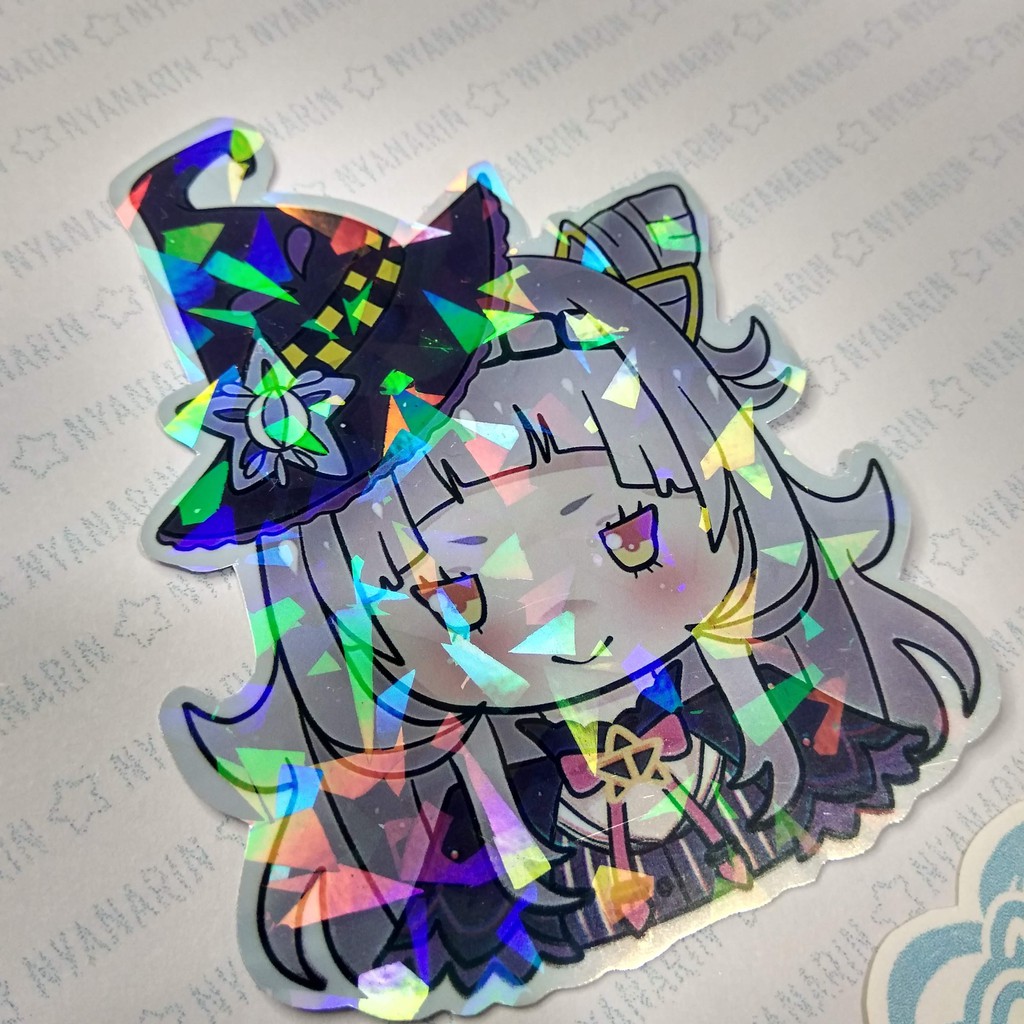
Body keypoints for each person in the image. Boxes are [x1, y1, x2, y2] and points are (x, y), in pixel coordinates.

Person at [113, 121, 989, 1018]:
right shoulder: (451, 876)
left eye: (630, 533)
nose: (573, 630)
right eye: (457, 596)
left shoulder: (819, 723)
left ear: (720, 472)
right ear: (344, 638)